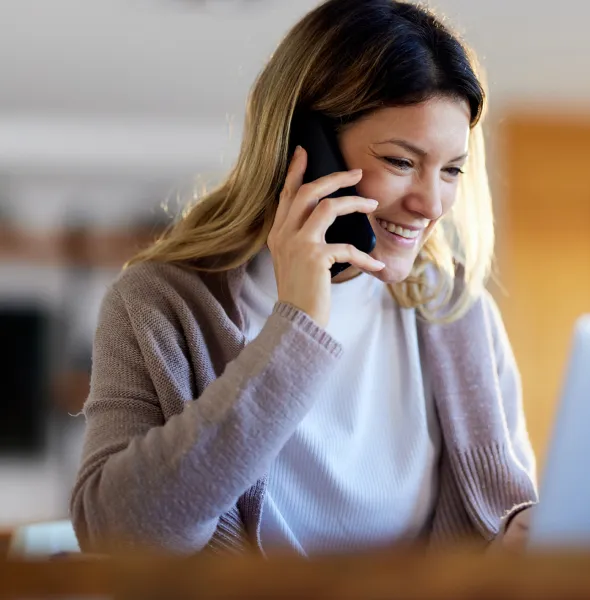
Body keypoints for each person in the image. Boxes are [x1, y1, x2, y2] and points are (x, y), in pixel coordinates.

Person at [70, 0, 537, 556]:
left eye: (451, 170)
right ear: (304, 148)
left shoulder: (459, 315)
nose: (430, 203)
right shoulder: (160, 306)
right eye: (401, 162)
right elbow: (118, 535)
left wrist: (516, 539)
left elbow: (498, 524)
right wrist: (298, 331)